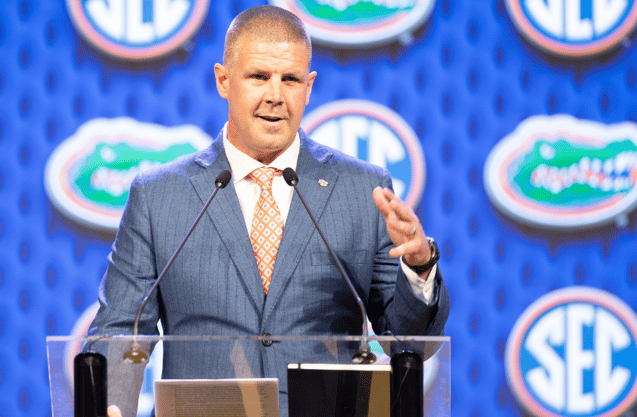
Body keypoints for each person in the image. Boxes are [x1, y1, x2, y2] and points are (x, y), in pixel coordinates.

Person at [88, 5, 449, 416]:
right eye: (259, 76)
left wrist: (419, 268)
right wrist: (110, 407)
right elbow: (119, 332)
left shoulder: (362, 190)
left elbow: (408, 341)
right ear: (224, 81)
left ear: (309, 87)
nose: (275, 96)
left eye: (290, 79)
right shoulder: (159, 197)